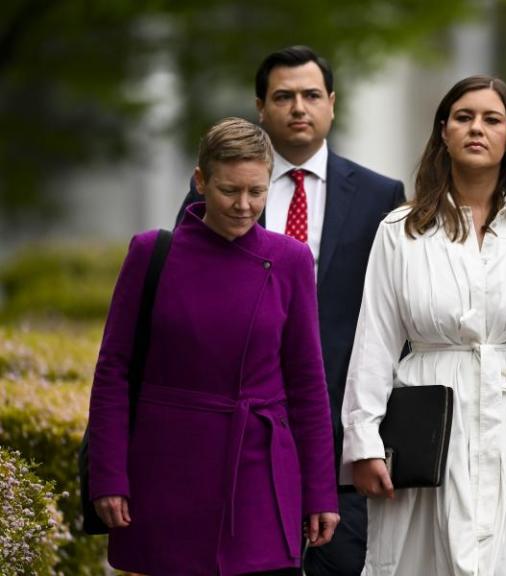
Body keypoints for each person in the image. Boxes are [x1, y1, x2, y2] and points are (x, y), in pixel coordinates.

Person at [339, 75, 506, 575]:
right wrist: (364, 440)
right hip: (430, 424)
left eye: (492, 119)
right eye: (463, 118)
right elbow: (374, 341)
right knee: (424, 560)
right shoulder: (402, 231)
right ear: (444, 131)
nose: (476, 129)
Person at [177, 46, 406, 576]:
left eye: (310, 95)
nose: (298, 107)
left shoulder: (380, 195)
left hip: (342, 417)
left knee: (342, 561)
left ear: (331, 104)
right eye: (283, 96)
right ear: (261, 106)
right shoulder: (221, 191)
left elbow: (395, 308)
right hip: (239, 421)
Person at [87, 117, 339, 575]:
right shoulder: (150, 253)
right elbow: (114, 371)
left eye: (257, 192)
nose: (244, 206)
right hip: (167, 471)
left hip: (261, 472)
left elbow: (307, 383)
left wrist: (320, 491)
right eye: (229, 191)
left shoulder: (290, 260)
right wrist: (108, 476)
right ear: (200, 181)